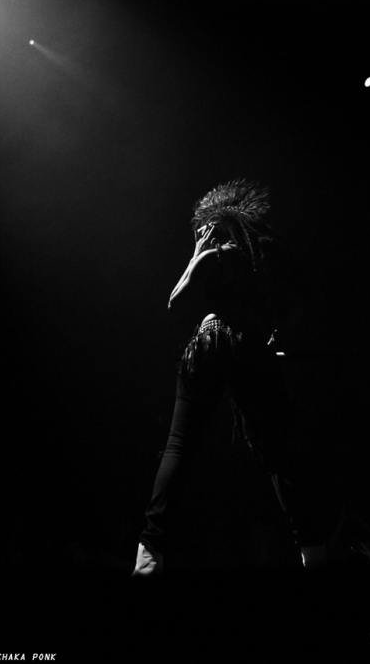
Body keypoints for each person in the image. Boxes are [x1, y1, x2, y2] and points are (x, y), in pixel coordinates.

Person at [132, 179, 327, 577]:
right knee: (276, 452)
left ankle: (149, 554)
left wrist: (196, 255)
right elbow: (294, 306)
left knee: (179, 446)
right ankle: (314, 550)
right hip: (252, 348)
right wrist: (276, 335)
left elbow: (175, 303)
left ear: (216, 228)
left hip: (212, 338)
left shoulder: (212, 258)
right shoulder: (262, 262)